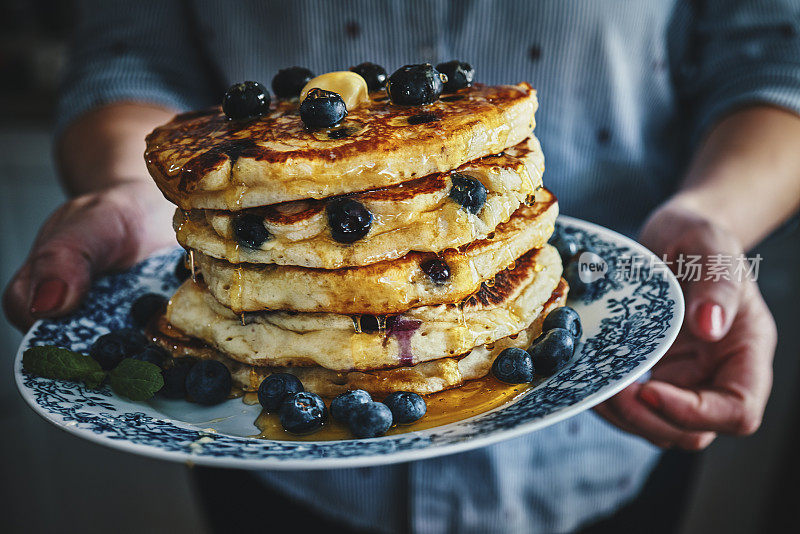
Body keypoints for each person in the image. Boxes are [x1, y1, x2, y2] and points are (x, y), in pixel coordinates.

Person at [5, 1, 799, 532]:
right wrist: (126, 187)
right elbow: (126, 52)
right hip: (279, 470)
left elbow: (773, 52)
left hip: (602, 425)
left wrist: (715, 216)